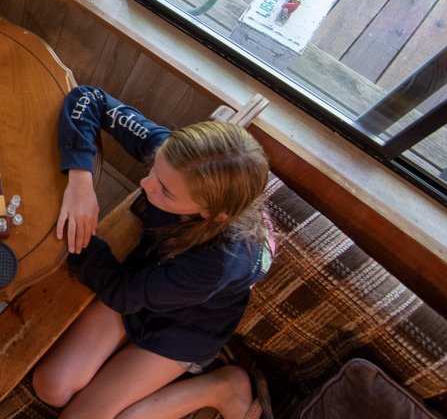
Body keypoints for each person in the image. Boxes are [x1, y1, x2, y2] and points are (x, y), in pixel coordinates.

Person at [35, 85, 272, 419]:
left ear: (211, 213)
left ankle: (223, 385)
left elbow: (121, 292)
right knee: (51, 387)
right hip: (147, 280)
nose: (146, 184)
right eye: (154, 169)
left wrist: (70, 230)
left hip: (186, 328)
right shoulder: (178, 160)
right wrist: (79, 182)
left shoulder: (217, 263)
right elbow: (89, 98)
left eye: (165, 191)